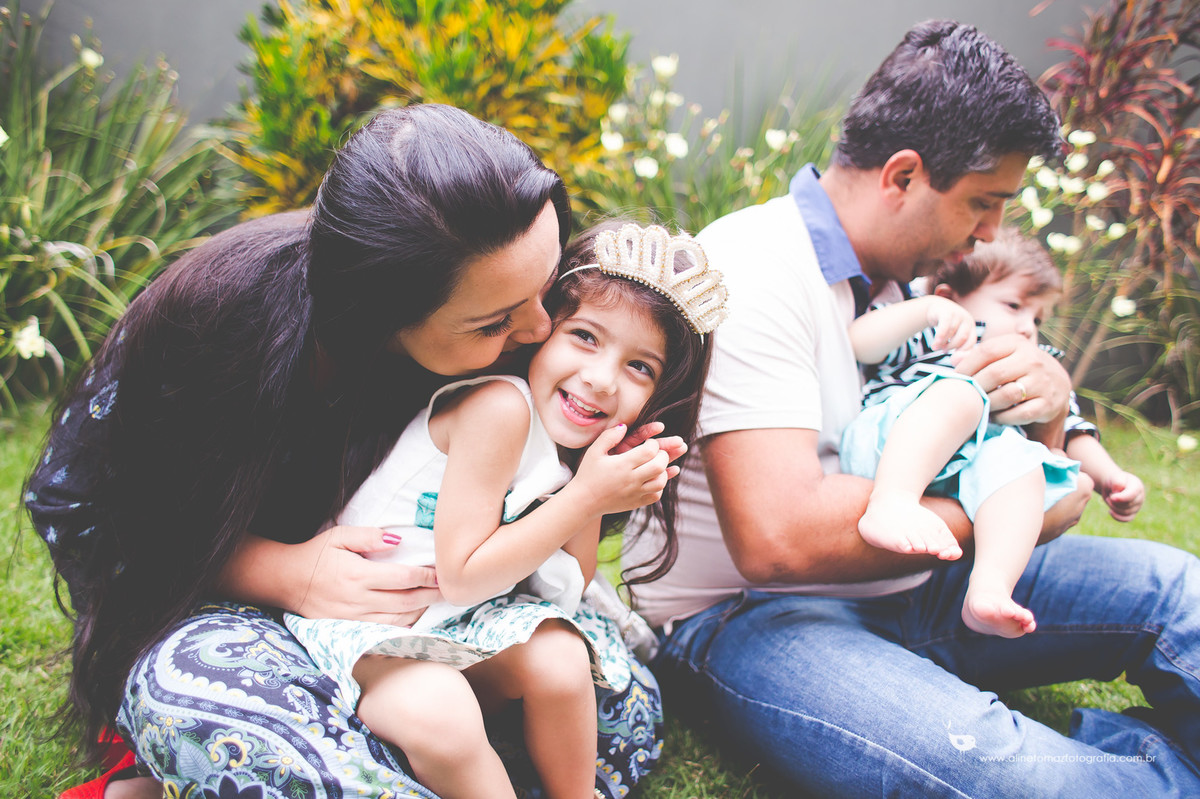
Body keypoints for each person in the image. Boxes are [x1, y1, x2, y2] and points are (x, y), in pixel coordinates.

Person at [25, 105, 668, 799]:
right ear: (381, 317)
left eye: (545, 290)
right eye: (494, 322)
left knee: (616, 705)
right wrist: (280, 573)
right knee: (202, 703)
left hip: (438, 628)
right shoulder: (221, 317)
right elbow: (89, 513)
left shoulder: (504, 323)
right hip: (237, 614)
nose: (540, 328)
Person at [626, 20, 1200, 798]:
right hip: (750, 616)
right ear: (902, 175)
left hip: (915, 580)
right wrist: (1025, 508)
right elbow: (779, 539)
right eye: (983, 204)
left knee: (1179, 592)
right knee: (999, 769)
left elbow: (990, 440)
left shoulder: (914, 284)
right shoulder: (755, 268)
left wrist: (1050, 410)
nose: (991, 233)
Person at [285, 221, 725, 799]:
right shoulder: (499, 407)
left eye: (640, 367)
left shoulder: (564, 450)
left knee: (561, 655)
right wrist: (586, 496)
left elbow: (567, 591)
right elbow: (464, 577)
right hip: (370, 632)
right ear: (541, 331)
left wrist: (593, 488)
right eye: (585, 337)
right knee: (445, 716)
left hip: (452, 625)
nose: (601, 380)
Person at [840, 227, 1145, 638]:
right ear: (950, 297)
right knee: (965, 393)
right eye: (1014, 305)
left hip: (965, 471)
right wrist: (926, 310)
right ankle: (891, 502)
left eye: (1037, 318)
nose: (1027, 327)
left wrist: (1112, 477)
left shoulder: (1033, 364)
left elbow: (1073, 429)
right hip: (890, 444)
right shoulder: (935, 334)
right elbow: (860, 343)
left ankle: (989, 589)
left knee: (1022, 466)